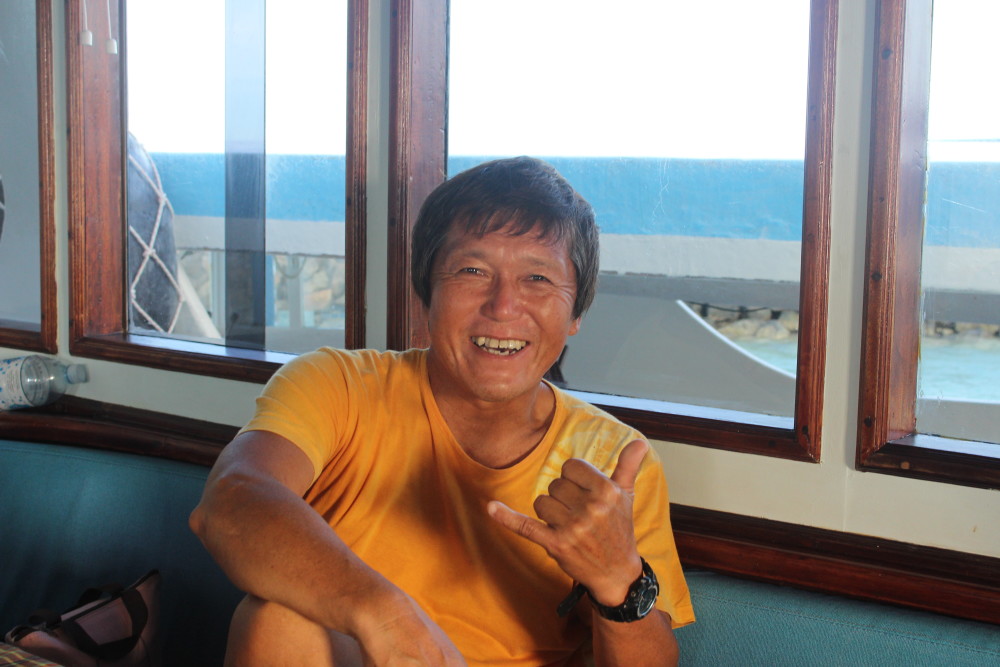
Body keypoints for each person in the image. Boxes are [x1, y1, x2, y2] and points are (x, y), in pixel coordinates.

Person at [190, 156, 695, 666]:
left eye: (538, 278)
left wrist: (619, 581)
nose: (503, 306)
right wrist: (386, 617)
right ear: (425, 294)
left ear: (576, 313)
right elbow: (232, 501)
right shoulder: (338, 386)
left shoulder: (614, 461)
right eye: (473, 271)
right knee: (278, 621)